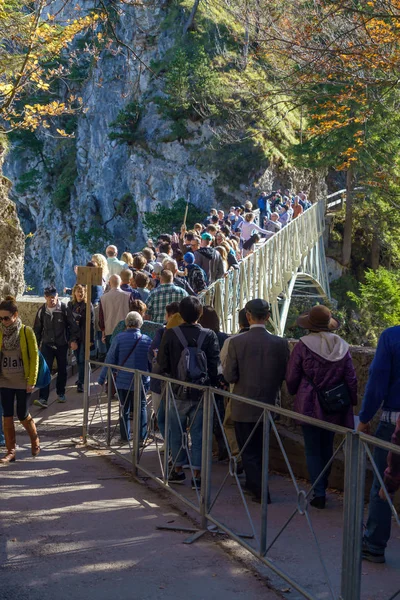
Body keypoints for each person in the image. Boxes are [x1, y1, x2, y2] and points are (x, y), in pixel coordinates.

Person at [286, 305, 357, 509]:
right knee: (327, 446)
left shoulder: (302, 346)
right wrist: (351, 402)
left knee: (312, 449)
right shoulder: (342, 347)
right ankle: (323, 485)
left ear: (309, 325)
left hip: (309, 402)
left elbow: (292, 376)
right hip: (334, 405)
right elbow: (351, 378)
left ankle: (319, 492)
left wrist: (294, 392)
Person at [223, 299, 289, 503]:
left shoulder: (236, 342)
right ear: (268, 317)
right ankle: (254, 484)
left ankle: (260, 491)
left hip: (243, 404)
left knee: (248, 449)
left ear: (248, 316)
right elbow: (284, 374)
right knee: (261, 447)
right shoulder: (280, 343)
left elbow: (230, 376)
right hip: (269, 403)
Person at [157, 296, 220, 488]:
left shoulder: (171, 334)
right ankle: (198, 475)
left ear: (180, 314)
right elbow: (214, 365)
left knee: (175, 431)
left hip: (176, 390)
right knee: (200, 434)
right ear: (200, 314)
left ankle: (177, 470)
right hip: (201, 392)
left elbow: (162, 363)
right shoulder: (209, 335)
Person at [357, 324, 400, 563]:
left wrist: (364, 418)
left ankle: (374, 544)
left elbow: (377, 382)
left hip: (394, 421)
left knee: (383, 483)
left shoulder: (392, 337)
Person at [98, 312, 152, 442]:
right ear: (140, 324)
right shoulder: (147, 340)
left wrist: (102, 378)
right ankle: (141, 437)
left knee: (124, 408)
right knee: (141, 407)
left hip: (123, 381)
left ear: (126, 323)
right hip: (141, 381)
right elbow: (151, 362)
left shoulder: (119, 338)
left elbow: (110, 359)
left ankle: (125, 437)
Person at [0, 296, 40, 464]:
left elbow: (34, 357)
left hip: (23, 381)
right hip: (5, 380)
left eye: (6, 318)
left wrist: (32, 380)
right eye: (0, 318)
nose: (4, 321)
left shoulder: (26, 331)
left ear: (15, 315)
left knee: (22, 414)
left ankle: (35, 440)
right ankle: (11, 451)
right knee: (7, 415)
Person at [33, 286, 80, 408]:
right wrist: (35, 346)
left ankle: (61, 393)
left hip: (61, 344)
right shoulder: (41, 311)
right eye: (49, 298)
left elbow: (73, 326)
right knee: (45, 371)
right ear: (45, 297)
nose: (51, 300)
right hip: (47, 345)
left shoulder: (64, 309)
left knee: (62, 370)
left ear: (57, 296)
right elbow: (37, 330)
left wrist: (72, 340)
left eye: (53, 297)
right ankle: (43, 398)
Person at [148, 302, 183, 441]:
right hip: (181, 383)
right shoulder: (188, 332)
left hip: (161, 381)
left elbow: (152, 353)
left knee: (162, 416)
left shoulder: (162, 332)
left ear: (169, 316)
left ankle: (171, 445)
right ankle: (174, 445)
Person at [68, 284, 94, 393]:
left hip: (84, 336)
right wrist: (71, 340)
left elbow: (91, 323)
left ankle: (81, 382)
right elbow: (68, 322)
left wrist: (91, 340)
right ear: (74, 293)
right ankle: (82, 377)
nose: (80, 294)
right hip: (75, 336)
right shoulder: (70, 305)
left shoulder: (88, 305)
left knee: (82, 359)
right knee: (78, 358)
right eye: (78, 291)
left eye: (82, 292)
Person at [99, 275, 132, 351]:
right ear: (120, 283)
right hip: (124, 330)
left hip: (109, 330)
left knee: (111, 356)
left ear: (109, 283)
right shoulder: (128, 296)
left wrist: (103, 331)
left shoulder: (103, 298)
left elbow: (101, 317)